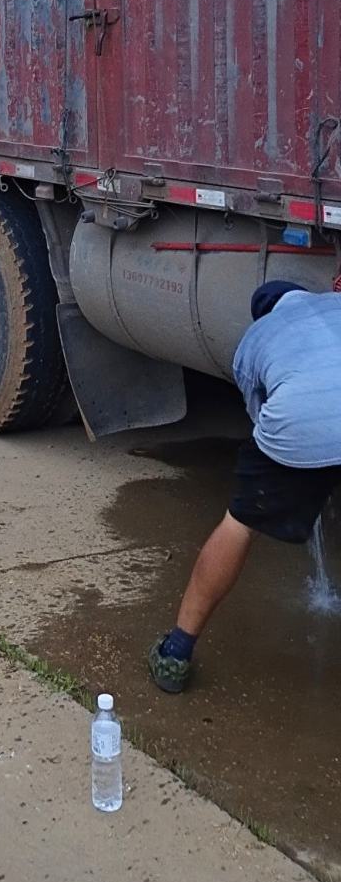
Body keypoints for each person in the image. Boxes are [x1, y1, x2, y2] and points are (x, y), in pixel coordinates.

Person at [148, 280, 341, 693]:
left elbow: (259, 414)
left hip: (300, 422)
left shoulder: (257, 337)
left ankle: (175, 655)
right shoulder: (334, 303)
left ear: (265, 313)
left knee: (238, 524)